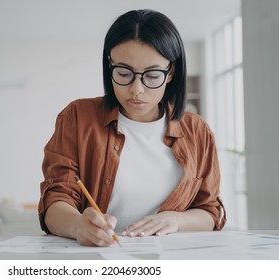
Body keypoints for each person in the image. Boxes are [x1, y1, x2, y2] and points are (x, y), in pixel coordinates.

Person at [38, 9, 226, 247]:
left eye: (152, 75)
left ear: (171, 73)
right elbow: (55, 199)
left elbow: (210, 211)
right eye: (124, 73)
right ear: (110, 65)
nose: (137, 89)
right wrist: (78, 226)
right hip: (98, 257)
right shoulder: (77, 117)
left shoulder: (197, 131)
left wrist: (176, 220)